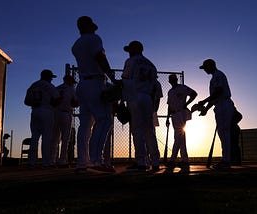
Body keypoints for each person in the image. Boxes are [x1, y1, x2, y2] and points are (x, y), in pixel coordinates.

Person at [71, 16, 118, 173]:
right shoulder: (94, 38)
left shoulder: (76, 44)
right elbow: (100, 57)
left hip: (82, 84)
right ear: (89, 26)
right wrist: (112, 77)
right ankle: (96, 161)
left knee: (85, 125)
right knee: (104, 120)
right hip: (95, 82)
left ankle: (82, 162)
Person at [121, 40, 161, 172]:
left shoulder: (131, 61)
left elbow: (125, 80)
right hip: (148, 98)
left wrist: (122, 99)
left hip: (135, 95)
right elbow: (155, 86)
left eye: (130, 50)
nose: (129, 53)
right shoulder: (151, 64)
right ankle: (155, 162)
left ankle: (141, 162)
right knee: (149, 130)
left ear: (134, 49)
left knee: (137, 130)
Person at [197, 58, 235, 169]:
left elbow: (219, 91)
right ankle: (225, 159)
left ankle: (226, 161)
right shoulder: (214, 77)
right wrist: (206, 109)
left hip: (224, 103)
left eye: (205, 68)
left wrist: (204, 101)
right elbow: (214, 98)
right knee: (222, 133)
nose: (204, 70)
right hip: (219, 104)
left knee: (224, 132)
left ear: (211, 66)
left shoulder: (218, 75)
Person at [26, 69, 61, 169]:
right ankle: (46, 163)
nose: (51, 79)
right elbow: (57, 99)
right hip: (47, 111)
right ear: (48, 77)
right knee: (46, 137)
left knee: (34, 137)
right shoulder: (49, 86)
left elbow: (26, 101)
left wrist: (35, 103)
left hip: (35, 111)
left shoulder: (33, 85)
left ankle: (31, 162)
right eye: (51, 77)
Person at [165, 74, 197, 172]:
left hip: (181, 113)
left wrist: (186, 104)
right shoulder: (170, 92)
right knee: (180, 137)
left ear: (176, 80)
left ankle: (173, 159)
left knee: (178, 137)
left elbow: (194, 94)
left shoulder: (182, 88)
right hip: (174, 115)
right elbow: (169, 106)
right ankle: (184, 159)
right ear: (169, 81)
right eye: (171, 80)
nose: (173, 81)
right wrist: (167, 118)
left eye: (174, 79)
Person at [50, 75, 79, 168]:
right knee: (65, 138)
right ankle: (62, 160)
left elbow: (52, 101)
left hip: (55, 114)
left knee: (54, 138)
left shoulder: (56, 88)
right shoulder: (71, 89)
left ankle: (52, 160)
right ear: (69, 81)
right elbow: (75, 103)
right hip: (66, 113)